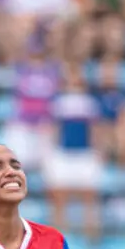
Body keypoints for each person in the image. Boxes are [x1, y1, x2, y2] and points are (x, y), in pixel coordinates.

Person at [44, 65, 104, 238]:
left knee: (89, 196)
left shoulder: (90, 102)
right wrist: (51, 150)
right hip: (64, 153)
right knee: (59, 196)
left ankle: (91, 237)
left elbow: (95, 129)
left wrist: (97, 149)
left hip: (84, 152)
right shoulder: (58, 102)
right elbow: (54, 128)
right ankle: (59, 235)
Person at [1, 29, 61, 174]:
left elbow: (55, 101)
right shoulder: (18, 69)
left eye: (40, 54)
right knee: (12, 165)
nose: (36, 58)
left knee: (52, 169)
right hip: (21, 125)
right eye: (33, 53)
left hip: (45, 126)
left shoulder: (54, 70)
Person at [5, 0, 78, 60]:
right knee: (18, 28)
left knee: (60, 29)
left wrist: (54, 18)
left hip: (55, 27)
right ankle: (19, 67)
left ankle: (58, 66)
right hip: (26, 29)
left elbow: (73, 10)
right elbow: (8, 13)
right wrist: (30, 20)